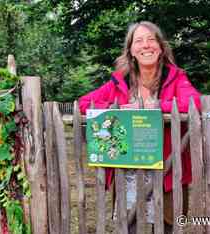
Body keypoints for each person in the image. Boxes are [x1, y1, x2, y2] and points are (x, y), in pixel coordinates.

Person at [78, 21, 201, 233]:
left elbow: (195, 104)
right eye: (139, 41)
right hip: (128, 173)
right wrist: (118, 109)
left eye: (151, 39)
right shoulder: (120, 81)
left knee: (166, 226)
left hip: (167, 171)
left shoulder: (175, 77)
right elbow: (83, 103)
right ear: (131, 50)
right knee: (130, 227)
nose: (146, 45)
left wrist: (157, 106)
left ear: (161, 48)